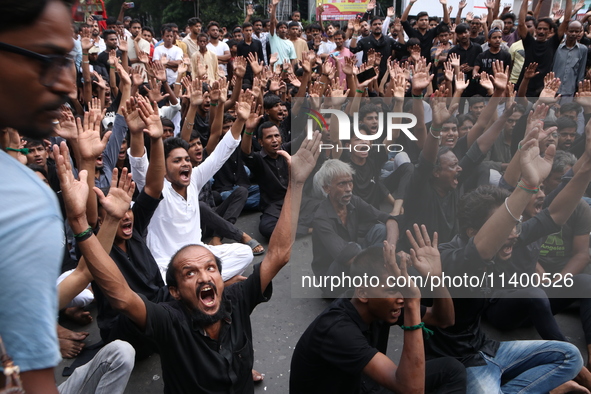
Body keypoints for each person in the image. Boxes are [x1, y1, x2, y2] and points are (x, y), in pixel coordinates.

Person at [55, 120, 322, 392]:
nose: (204, 276)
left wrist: (296, 183)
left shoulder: (236, 299)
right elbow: (121, 296)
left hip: (159, 298)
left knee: (241, 253)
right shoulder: (171, 322)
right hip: (139, 317)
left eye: (211, 269)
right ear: (176, 292)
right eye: (190, 273)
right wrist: (79, 220)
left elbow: (278, 254)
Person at [431, 117, 591, 392]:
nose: (514, 233)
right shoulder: (452, 258)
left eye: (515, 226)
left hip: (490, 349)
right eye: (506, 226)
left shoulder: (512, 236)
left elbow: (555, 214)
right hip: (471, 352)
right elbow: (481, 249)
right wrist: (526, 185)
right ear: (474, 231)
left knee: (570, 355)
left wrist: (588, 163)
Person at [291, 225, 467, 393]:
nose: (402, 297)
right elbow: (412, 389)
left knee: (451, 370)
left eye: (403, 287)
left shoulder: (384, 305)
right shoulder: (337, 329)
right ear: (363, 292)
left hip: (364, 385)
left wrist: (436, 279)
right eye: (392, 289)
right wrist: (412, 302)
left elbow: (444, 319)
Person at [0, 1, 75, 391]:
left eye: (68, 62)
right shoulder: (24, 203)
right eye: (47, 59)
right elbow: (34, 383)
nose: (66, 84)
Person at [310, 159, 398, 280]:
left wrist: (391, 250)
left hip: (357, 261)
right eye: (342, 184)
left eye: (350, 183)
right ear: (327, 188)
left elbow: (390, 220)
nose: (348, 189)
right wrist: (390, 261)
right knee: (352, 248)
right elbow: (345, 257)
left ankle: (377, 272)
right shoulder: (321, 217)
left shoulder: (353, 201)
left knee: (380, 229)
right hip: (333, 275)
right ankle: (378, 275)